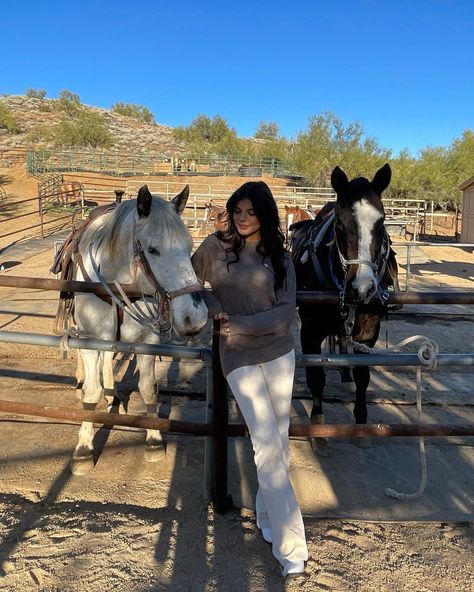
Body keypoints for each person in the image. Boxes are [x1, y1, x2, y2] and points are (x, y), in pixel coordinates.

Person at [192, 181, 308, 579]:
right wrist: (212, 307)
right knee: (266, 446)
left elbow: (285, 311)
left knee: (279, 443)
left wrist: (236, 323)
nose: (242, 219)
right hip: (237, 356)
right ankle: (294, 551)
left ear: (265, 214)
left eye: (250, 212)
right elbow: (189, 287)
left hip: (278, 353)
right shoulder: (213, 249)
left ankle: (267, 520)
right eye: (237, 211)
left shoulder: (280, 258)